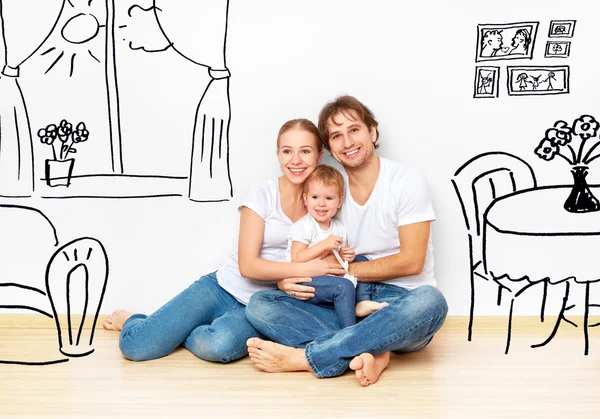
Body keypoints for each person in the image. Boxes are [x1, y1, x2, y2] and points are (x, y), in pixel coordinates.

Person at [102, 119, 346, 363]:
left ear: (319, 155)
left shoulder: (324, 204)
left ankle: (176, 331)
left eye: (305, 151)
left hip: (260, 306)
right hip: (222, 287)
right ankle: (137, 320)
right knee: (136, 346)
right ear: (278, 154)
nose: (295, 160)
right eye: (287, 151)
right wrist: (302, 269)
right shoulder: (262, 195)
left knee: (217, 346)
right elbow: (247, 266)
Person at [245, 95, 448, 387]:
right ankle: (376, 351)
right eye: (336, 136)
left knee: (431, 302)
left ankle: (309, 358)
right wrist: (286, 279)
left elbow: (412, 261)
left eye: (354, 130)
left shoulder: (406, 180)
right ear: (329, 148)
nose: (347, 142)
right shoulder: (328, 190)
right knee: (260, 304)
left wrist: (347, 273)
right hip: (342, 301)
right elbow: (303, 246)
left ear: (372, 132)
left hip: (400, 303)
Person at [286, 164, 388, 328]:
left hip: (331, 274)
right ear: (305, 198)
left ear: (339, 201)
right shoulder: (304, 226)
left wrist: (347, 254)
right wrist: (324, 245)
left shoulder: (338, 227)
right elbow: (297, 258)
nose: (321, 204)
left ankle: (363, 302)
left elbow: (342, 256)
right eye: (315, 197)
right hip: (307, 281)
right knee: (344, 286)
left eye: (328, 198)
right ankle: (350, 330)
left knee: (363, 260)